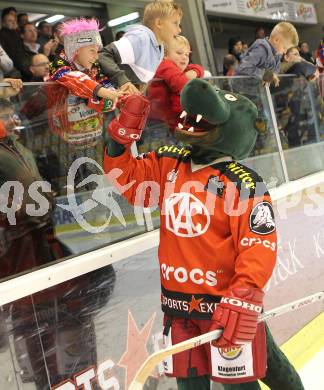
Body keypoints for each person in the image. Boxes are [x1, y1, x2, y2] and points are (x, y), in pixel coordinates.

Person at [103, 79, 305, 390]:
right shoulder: (169, 161)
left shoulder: (244, 183)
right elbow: (130, 182)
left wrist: (245, 295)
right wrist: (119, 139)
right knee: (190, 385)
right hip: (179, 308)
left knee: (247, 379)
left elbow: (257, 245)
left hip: (225, 306)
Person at [48, 18, 124, 149]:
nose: (96, 56)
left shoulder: (93, 65)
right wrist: (104, 93)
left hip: (94, 135)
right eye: (92, 51)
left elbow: (104, 82)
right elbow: (76, 79)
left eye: (97, 51)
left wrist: (114, 95)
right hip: (66, 139)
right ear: (76, 49)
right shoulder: (59, 64)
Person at [99, 0, 182, 94]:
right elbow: (104, 54)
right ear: (159, 23)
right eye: (175, 23)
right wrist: (122, 80)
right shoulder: (140, 38)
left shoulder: (160, 47)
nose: (179, 30)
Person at [148, 35, 204, 130]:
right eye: (179, 53)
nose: (184, 57)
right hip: (161, 122)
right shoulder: (165, 65)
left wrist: (195, 71)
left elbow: (199, 68)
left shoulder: (177, 67)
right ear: (165, 55)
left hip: (172, 119)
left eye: (187, 55)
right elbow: (183, 85)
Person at [236, 22, 299, 87]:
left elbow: (275, 72)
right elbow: (243, 68)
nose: (285, 52)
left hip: (257, 90)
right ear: (276, 40)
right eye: (284, 47)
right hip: (241, 89)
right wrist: (266, 75)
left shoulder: (278, 53)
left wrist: (272, 77)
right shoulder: (261, 49)